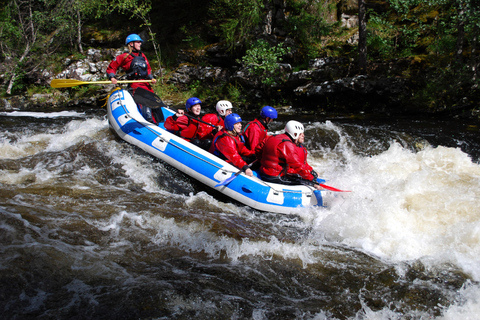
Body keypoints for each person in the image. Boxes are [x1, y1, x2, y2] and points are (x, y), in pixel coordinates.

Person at [106, 33, 158, 122]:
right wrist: (112, 77)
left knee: (154, 101)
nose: (140, 44)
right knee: (144, 100)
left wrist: (151, 77)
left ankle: (157, 120)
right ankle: (148, 121)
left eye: (140, 42)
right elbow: (111, 68)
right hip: (134, 84)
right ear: (131, 44)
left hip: (146, 83)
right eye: (138, 42)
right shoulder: (124, 56)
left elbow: (148, 69)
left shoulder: (142, 56)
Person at [255, 120, 322, 190]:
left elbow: (258, 149)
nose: (303, 135)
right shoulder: (288, 144)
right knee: (307, 182)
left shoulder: (272, 137)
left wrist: (263, 162)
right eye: (300, 134)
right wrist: (311, 180)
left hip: (264, 172)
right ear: (295, 133)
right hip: (276, 177)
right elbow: (297, 165)